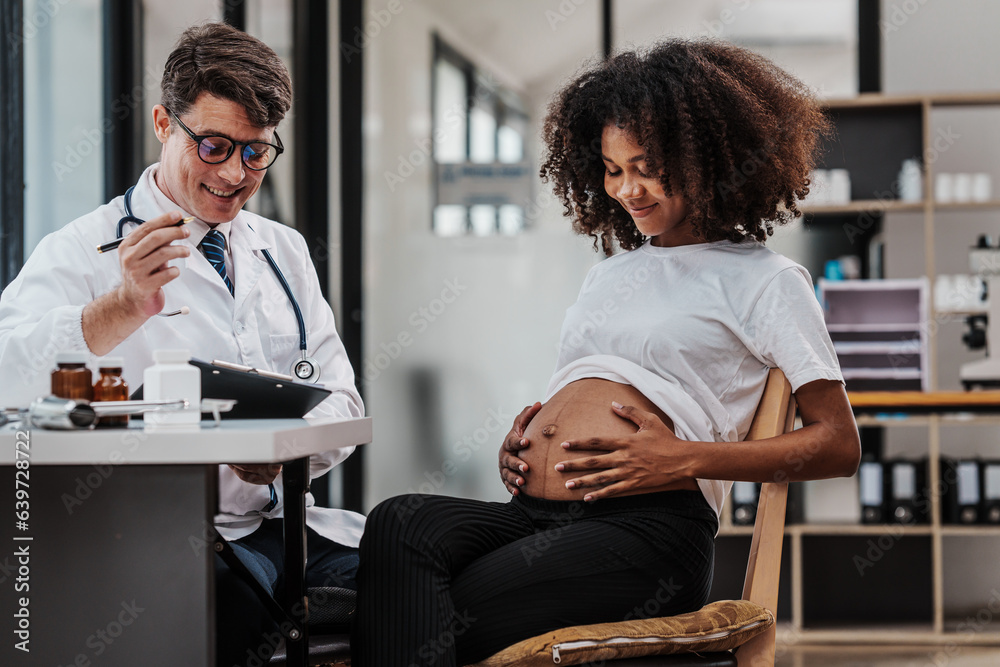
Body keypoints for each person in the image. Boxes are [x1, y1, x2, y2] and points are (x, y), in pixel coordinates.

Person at [351, 40, 861, 666]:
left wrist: (683, 459)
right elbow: (586, 390)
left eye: (648, 166)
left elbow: (839, 444)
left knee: (420, 614)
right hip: (536, 515)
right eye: (613, 169)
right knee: (400, 522)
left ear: (704, 159)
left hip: (646, 529)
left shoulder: (767, 280)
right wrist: (527, 442)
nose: (628, 189)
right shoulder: (608, 275)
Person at [0, 22, 363, 666]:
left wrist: (278, 451)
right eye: (216, 146)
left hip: (287, 528)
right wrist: (118, 307)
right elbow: (8, 377)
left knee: (417, 559)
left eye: (256, 152)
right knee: (226, 618)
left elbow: (341, 402)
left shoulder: (282, 250)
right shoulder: (84, 249)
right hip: (159, 539)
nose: (236, 174)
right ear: (165, 124)